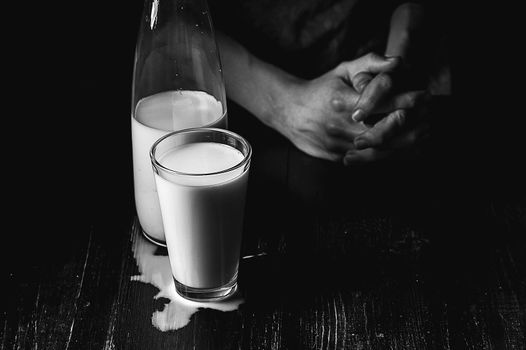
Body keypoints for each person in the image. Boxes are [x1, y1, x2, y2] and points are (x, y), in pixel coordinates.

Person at [210, 0, 449, 165]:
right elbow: (178, 19)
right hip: (239, 116)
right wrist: (283, 105)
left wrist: (397, 67)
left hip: (406, 82)